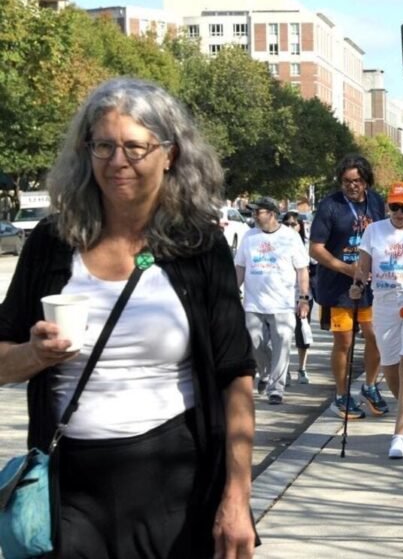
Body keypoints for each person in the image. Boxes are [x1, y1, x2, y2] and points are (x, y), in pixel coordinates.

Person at [0, 78, 256, 557]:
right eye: (103, 145)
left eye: (135, 147)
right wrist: (35, 354)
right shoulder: (52, 243)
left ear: (169, 154)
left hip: (176, 479)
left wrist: (237, 498)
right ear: (86, 150)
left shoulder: (198, 246)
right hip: (70, 483)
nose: (117, 162)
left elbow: (235, 375)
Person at [351, 182, 403, 459]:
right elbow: (363, 266)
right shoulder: (374, 230)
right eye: (394, 206)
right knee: (391, 368)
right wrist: (358, 283)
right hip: (383, 302)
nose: (399, 212)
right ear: (387, 206)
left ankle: (398, 435)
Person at [310, 155, 388, 419]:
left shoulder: (376, 201)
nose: (352, 186)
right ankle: (342, 395)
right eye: (346, 181)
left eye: (357, 181)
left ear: (366, 180)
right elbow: (316, 249)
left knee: (375, 336)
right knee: (344, 341)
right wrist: (347, 269)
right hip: (338, 285)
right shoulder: (329, 206)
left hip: (369, 285)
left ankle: (369, 386)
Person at [235, 197, 310, 405]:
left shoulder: (290, 237)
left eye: (258, 212)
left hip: (283, 303)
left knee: (282, 344)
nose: (254, 215)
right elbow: (240, 267)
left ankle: (276, 388)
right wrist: (233, 291)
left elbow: (302, 269)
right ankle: (266, 373)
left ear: (272, 213)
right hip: (253, 302)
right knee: (254, 343)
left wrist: (303, 298)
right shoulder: (249, 237)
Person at [281, 210, 313, 383]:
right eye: (286, 224)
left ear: (299, 226)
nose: (289, 227)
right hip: (283, 296)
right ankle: (283, 370)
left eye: (293, 224)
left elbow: (313, 269)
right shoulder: (277, 242)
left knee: (302, 334)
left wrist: (305, 296)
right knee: (283, 335)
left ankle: (302, 368)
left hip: (303, 294)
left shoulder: (307, 245)